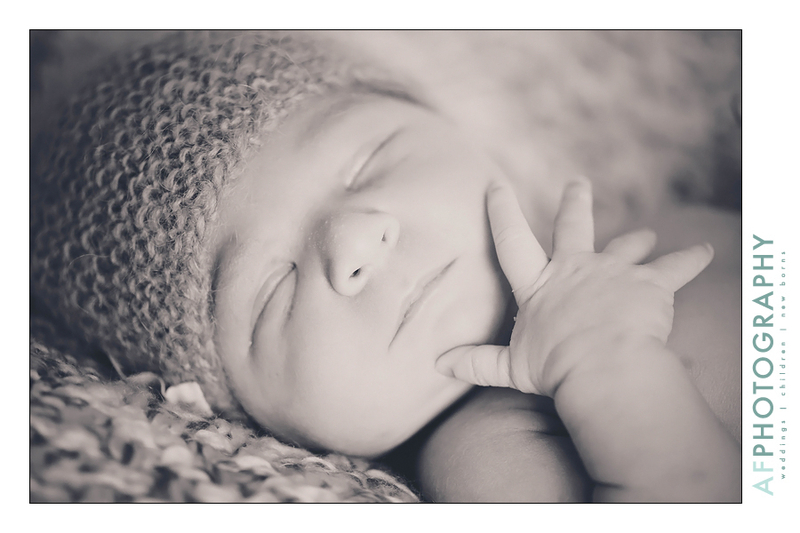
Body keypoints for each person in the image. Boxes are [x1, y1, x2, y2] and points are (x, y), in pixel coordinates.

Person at [30, 31, 741, 502]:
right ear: (243, 417)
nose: (353, 241)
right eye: (270, 292)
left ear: (449, 124)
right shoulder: (491, 452)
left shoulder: (653, 214)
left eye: (371, 160)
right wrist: (604, 357)